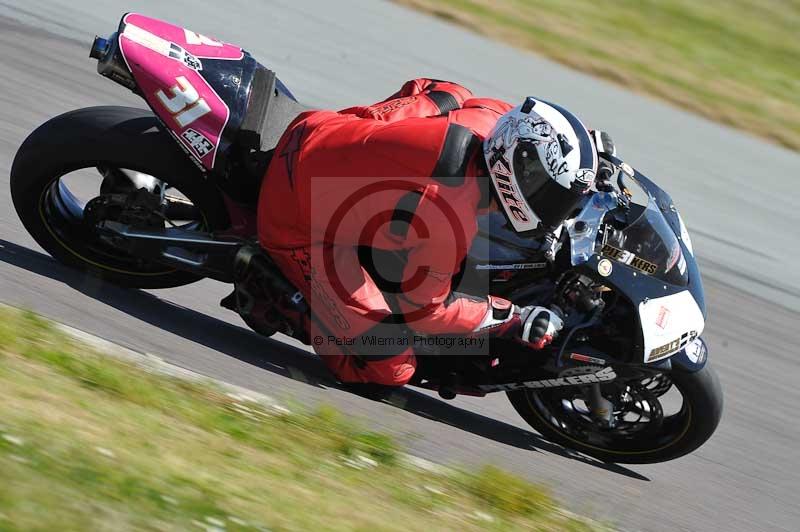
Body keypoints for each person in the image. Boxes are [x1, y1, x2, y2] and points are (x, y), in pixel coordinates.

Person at [257, 78, 599, 387]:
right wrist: (512, 317)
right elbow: (426, 313)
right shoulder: (447, 217)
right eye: (550, 195)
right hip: (294, 219)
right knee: (392, 368)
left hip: (319, 126)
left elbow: (429, 88)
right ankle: (285, 295)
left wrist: (591, 151)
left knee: (450, 94)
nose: (554, 208)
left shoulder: (492, 120)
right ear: (519, 167)